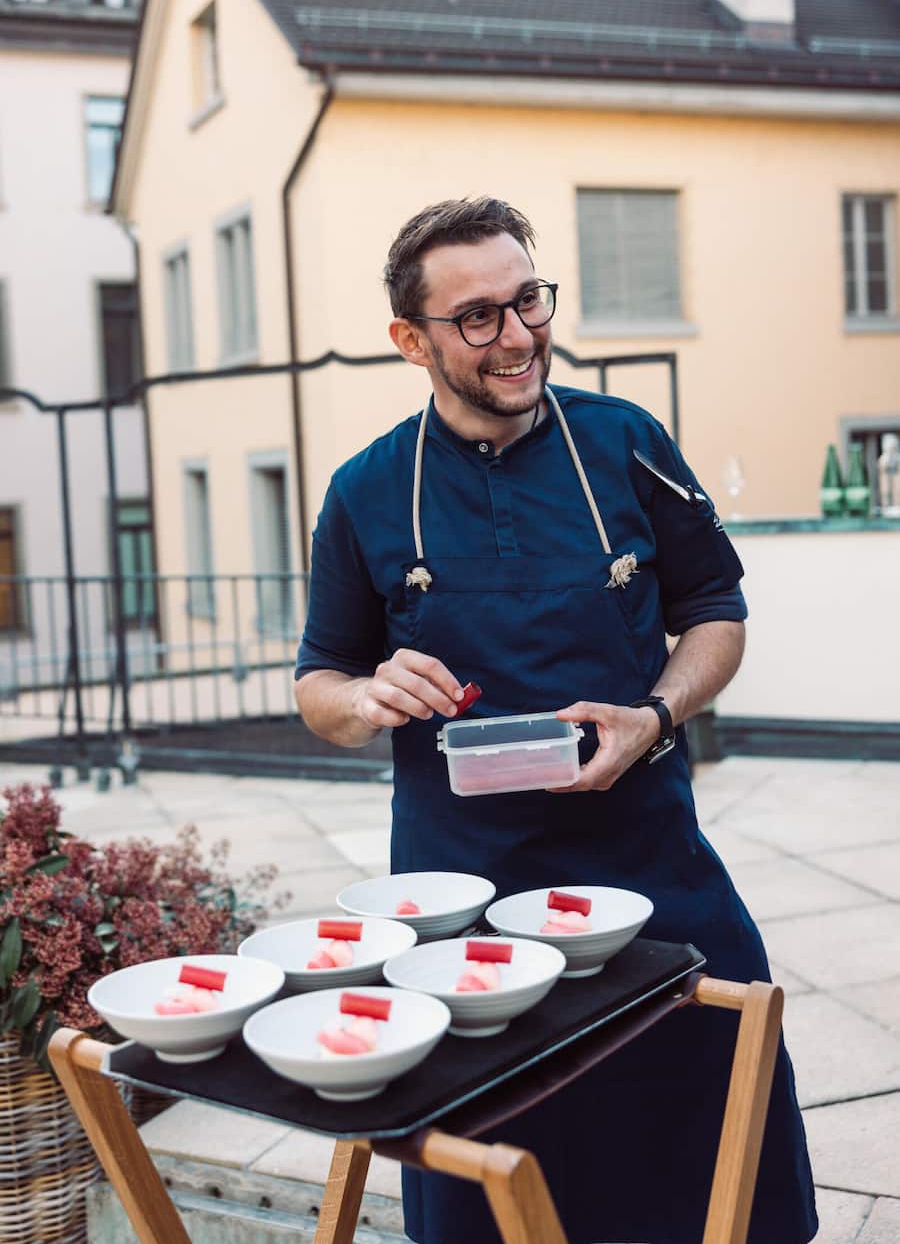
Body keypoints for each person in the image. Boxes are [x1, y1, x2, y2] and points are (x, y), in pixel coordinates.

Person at [293, 197, 817, 1244]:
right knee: (500, 1187)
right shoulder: (363, 491)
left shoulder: (626, 443)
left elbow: (716, 609)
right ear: (411, 340)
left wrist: (656, 714)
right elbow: (320, 682)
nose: (520, 334)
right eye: (477, 316)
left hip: (650, 871)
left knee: (714, 1155)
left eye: (528, 298)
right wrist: (363, 697)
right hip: (461, 907)